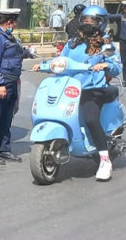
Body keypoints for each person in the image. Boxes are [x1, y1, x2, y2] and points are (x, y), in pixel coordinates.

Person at [35, 23, 121, 181]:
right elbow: (61, 61)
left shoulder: (105, 44)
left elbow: (117, 67)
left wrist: (105, 65)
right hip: (71, 87)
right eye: (84, 22)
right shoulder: (71, 44)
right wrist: (44, 65)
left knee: (91, 119)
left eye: (91, 21)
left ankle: (104, 160)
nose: (85, 27)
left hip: (93, 89)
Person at [0, 8, 33, 165]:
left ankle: (4, 149)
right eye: (14, 22)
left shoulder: (8, 36)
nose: (15, 25)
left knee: (6, 118)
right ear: (9, 22)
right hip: (0, 83)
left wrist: (27, 52)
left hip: (11, 82)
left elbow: (14, 54)